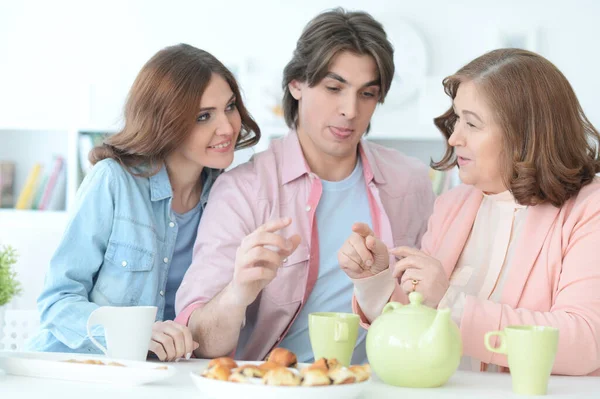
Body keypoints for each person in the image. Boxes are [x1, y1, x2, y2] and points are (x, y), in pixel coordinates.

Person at [175, 8, 435, 363]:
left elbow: (432, 312)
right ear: (297, 84)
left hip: (381, 383)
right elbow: (198, 340)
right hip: (279, 383)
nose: (349, 110)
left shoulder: (411, 181)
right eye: (333, 88)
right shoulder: (243, 190)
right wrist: (239, 291)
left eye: (367, 94)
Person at [341, 48, 600, 375]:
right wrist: (375, 281)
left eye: (472, 124)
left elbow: (585, 342)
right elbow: (417, 327)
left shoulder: (590, 209)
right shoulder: (453, 205)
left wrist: (451, 304)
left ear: (525, 135)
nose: (454, 137)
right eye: (457, 119)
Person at [27, 43, 261, 361]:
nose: (227, 127)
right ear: (166, 121)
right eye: (204, 116)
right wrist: (130, 332)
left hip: (165, 376)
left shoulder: (230, 196)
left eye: (230, 107)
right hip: (80, 370)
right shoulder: (113, 181)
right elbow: (57, 302)